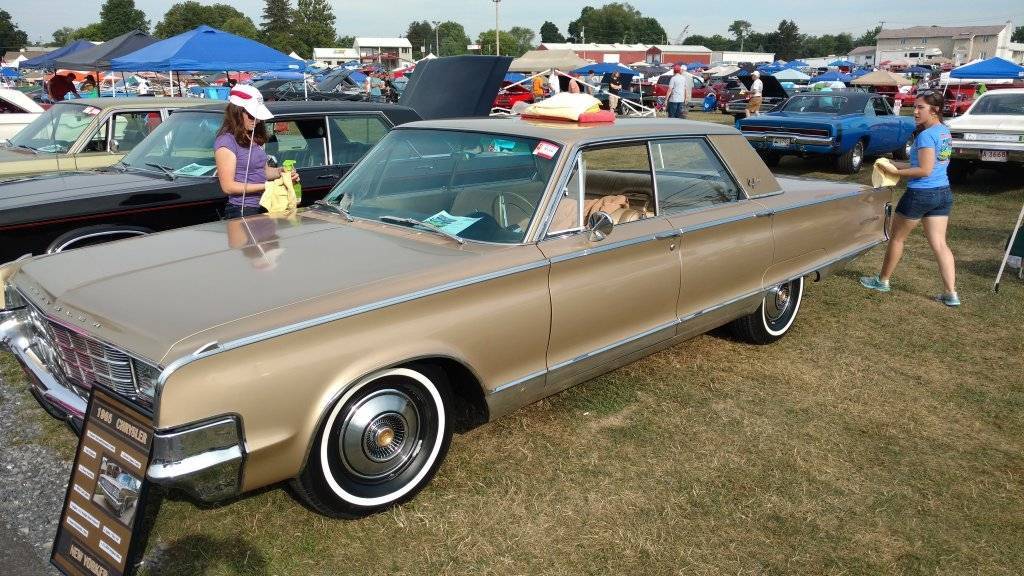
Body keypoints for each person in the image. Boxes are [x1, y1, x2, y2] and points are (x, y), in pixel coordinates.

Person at [861, 91, 959, 306]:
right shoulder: (944, 132)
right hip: (942, 193)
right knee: (940, 244)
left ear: (934, 110)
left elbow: (924, 170)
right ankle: (951, 293)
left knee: (897, 238)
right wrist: (892, 163)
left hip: (921, 194)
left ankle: (883, 281)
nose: (915, 111)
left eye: (920, 107)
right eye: (914, 106)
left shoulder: (925, 136)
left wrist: (895, 172)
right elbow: (925, 164)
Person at [214, 85, 300, 219]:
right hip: (242, 208)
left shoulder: (253, 137)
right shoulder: (226, 141)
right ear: (237, 113)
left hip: (266, 204)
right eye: (252, 115)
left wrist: (281, 172)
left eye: (258, 116)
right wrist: (267, 186)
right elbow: (228, 187)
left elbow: (262, 171)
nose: (257, 121)